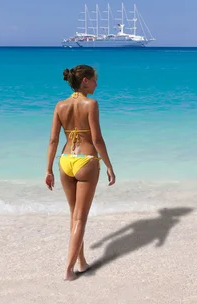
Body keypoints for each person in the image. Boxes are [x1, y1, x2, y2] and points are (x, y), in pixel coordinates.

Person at [44, 64, 116, 281]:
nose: (97, 84)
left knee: (74, 215)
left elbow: (53, 140)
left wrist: (48, 169)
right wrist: (109, 166)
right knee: (80, 219)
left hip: (65, 161)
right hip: (86, 161)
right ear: (85, 80)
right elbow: (96, 139)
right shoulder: (91, 104)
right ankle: (68, 270)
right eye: (94, 79)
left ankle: (81, 262)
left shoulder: (60, 105)